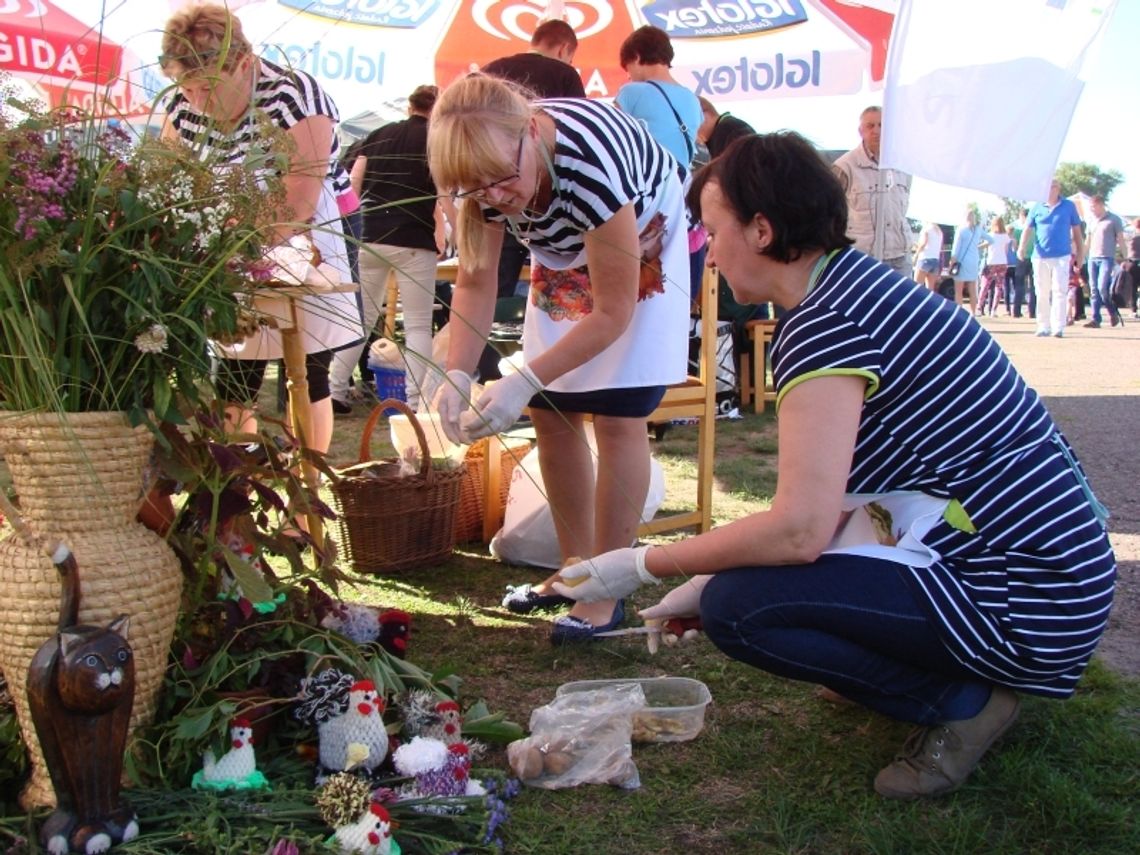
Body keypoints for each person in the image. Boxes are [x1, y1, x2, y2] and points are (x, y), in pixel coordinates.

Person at [551, 132, 1115, 800]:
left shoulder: (826, 323)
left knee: (740, 610)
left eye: (714, 232)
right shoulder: (853, 289)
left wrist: (645, 564)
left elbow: (800, 530)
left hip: (1026, 593)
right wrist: (701, 575)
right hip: (1047, 571)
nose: (710, 255)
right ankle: (924, 667)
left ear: (762, 230)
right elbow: (838, 502)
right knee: (736, 588)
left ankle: (964, 702)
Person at [425, 74, 690, 643]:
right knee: (551, 411)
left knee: (618, 413)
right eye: (477, 189)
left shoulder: (591, 167)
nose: (495, 198)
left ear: (530, 131)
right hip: (564, 241)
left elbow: (614, 311)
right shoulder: (483, 172)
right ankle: (574, 571)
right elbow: (475, 280)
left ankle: (606, 585)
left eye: (502, 179)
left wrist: (522, 378)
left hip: (641, 228)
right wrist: (457, 371)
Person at [160, 3, 360, 457]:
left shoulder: (296, 95)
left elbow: (299, 200)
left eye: (209, 88)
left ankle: (306, 478)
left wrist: (233, 252)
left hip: (310, 230)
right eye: (186, 88)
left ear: (245, 63)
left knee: (306, 363)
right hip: (224, 235)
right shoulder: (180, 105)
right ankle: (234, 477)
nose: (197, 101)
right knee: (233, 365)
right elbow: (170, 182)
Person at [329, 84, 445, 414]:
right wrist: (451, 231)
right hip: (414, 238)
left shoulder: (377, 135)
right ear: (437, 111)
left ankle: (334, 389)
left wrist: (348, 228)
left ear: (410, 106)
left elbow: (353, 183)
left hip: (370, 234)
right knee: (419, 325)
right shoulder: (437, 140)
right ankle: (415, 401)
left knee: (361, 319)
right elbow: (444, 193)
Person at [481, 19, 587, 312]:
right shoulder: (565, 73)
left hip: (495, 193)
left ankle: (496, 337)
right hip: (552, 203)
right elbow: (578, 135)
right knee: (561, 296)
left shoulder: (492, 71)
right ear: (564, 49)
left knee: (494, 285)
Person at [614, 25, 703, 301]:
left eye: (628, 68)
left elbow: (612, 142)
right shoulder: (692, 99)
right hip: (682, 199)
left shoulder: (632, 92)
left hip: (646, 197)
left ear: (636, 56)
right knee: (674, 282)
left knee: (640, 287)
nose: (629, 75)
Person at [831, 106, 912, 277]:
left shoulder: (903, 165)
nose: (877, 130)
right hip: (863, 260)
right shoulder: (845, 166)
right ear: (860, 131)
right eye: (870, 126)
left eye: (882, 125)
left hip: (900, 258)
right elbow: (829, 212)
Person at [1018, 179, 1084, 338]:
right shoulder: (1037, 207)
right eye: (1047, 187)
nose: (1050, 190)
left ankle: (1058, 327)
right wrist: (1021, 247)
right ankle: (1043, 326)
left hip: (1062, 255)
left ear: (1058, 189)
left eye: (1053, 187)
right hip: (1040, 256)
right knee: (1041, 291)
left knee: (1060, 290)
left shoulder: (1068, 206)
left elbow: (1077, 231)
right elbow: (1027, 229)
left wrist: (1080, 253)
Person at [1082, 195, 1127, 329]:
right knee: (1094, 289)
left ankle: (1112, 312)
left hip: (1107, 258)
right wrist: (1081, 258)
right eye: (1090, 207)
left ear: (1101, 205)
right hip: (1092, 258)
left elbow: (1121, 239)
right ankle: (1096, 319)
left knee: (1102, 288)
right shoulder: (1091, 220)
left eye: (1094, 207)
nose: (1092, 209)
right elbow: (1087, 241)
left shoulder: (1114, 219)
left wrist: (1125, 258)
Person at [948, 209, 984, 311]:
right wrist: (979, 246)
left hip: (962, 262)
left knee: (958, 291)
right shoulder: (977, 230)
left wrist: (952, 262)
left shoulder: (961, 230)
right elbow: (991, 240)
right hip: (974, 261)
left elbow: (956, 248)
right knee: (972, 290)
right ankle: (973, 313)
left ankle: (959, 312)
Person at [977, 216, 1010, 316]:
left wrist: (976, 247)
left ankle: (979, 307)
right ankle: (993, 310)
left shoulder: (990, 235)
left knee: (985, 285)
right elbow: (1006, 250)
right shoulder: (1005, 236)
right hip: (1002, 262)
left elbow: (984, 246)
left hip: (991, 262)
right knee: (999, 287)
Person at [912, 221, 943, 293]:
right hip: (935, 261)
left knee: (917, 287)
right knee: (930, 289)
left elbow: (923, 243)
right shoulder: (939, 231)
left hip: (925, 259)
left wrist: (916, 254)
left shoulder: (926, 228)